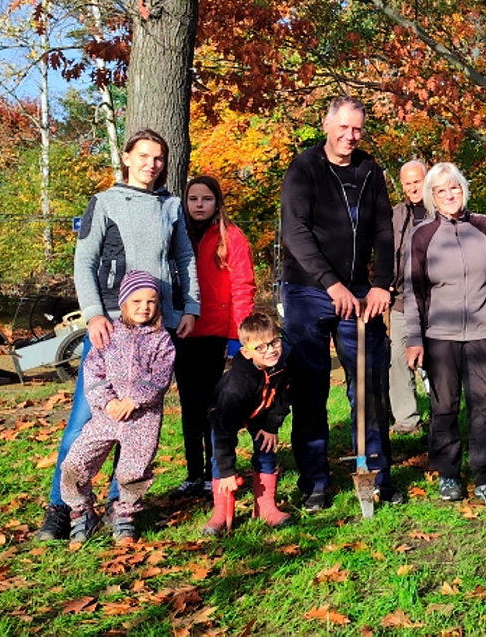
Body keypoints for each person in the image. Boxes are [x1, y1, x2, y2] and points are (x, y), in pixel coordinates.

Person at [35, 128, 200, 541]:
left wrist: (190, 307)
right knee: (85, 419)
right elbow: (84, 262)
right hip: (111, 327)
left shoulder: (172, 205)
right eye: (143, 155)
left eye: (159, 158)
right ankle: (63, 506)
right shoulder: (104, 203)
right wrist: (93, 314)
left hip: (158, 327)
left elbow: (184, 259)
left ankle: (119, 505)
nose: (152, 164)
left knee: (139, 422)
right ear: (127, 158)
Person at [280, 96, 403, 512]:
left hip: (361, 293)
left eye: (357, 129)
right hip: (308, 291)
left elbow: (385, 230)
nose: (350, 137)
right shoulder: (305, 168)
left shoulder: (369, 171)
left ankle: (377, 475)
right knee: (311, 388)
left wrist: (382, 284)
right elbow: (295, 231)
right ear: (327, 124)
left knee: (369, 384)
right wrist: (330, 284)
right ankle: (315, 480)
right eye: (344, 128)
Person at [403, 163, 486, 508]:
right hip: (440, 335)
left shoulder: (483, 227)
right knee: (444, 407)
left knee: (485, 406)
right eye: (440, 191)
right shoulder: (422, 236)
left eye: (454, 188)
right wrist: (414, 339)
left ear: (464, 191)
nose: (449, 195)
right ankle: (448, 474)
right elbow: (415, 292)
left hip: (482, 331)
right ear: (431, 197)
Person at [60, 271, 177, 544]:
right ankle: (81, 513)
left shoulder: (162, 340)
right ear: (124, 302)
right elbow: (92, 371)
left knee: (132, 471)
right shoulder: (110, 335)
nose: (144, 307)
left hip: (141, 418)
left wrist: (133, 400)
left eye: (151, 301)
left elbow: (160, 377)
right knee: (76, 463)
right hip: (106, 415)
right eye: (136, 301)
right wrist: (108, 402)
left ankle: (123, 515)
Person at [170, 175, 257, 498]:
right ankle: (194, 473)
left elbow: (242, 286)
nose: (199, 205)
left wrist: (239, 336)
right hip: (181, 331)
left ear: (217, 202)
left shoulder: (231, 237)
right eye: (193, 199)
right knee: (188, 405)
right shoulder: (178, 235)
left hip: (215, 333)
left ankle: (214, 471)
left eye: (206, 199)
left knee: (211, 405)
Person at [204, 311, 292, 535]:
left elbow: (282, 399)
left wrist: (271, 427)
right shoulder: (235, 387)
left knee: (266, 448)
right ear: (246, 352)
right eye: (260, 347)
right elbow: (224, 433)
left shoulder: (281, 366)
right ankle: (221, 512)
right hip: (225, 415)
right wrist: (227, 472)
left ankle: (265, 506)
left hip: (260, 411)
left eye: (274, 342)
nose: (270, 350)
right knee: (220, 457)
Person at [389, 160, 428, 435]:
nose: (414, 188)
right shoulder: (395, 216)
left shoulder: (442, 211)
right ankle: (407, 420)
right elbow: (386, 253)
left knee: (437, 360)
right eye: (408, 183)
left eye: (418, 181)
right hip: (401, 300)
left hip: (437, 302)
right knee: (396, 358)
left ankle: (443, 416)